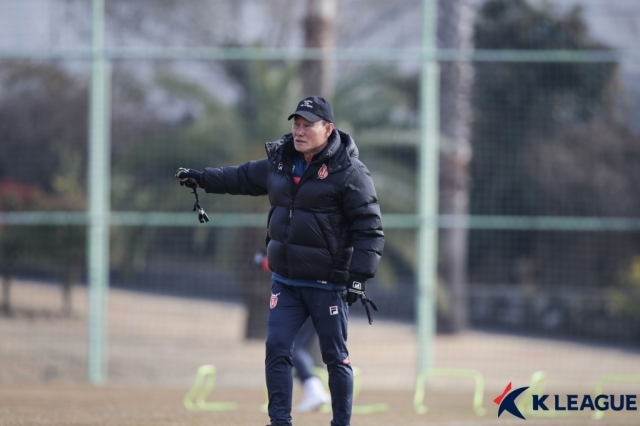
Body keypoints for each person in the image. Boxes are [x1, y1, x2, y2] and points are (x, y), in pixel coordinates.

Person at [175, 95, 384, 426]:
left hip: (327, 284)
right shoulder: (281, 162)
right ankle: (279, 422)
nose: (299, 131)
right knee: (277, 350)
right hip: (286, 282)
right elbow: (240, 178)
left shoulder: (350, 172)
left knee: (336, 358)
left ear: (328, 128)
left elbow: (370, 230)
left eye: (308, 125)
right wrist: (202, 178)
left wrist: (359, 278)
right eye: (296, 124)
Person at [255, 251, 331, 412]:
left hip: (304, 298)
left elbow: (283, 261)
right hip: (317, 296)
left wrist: (262, 260)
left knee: (294, 348)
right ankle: (314, 391)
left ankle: (315, 391)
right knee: (297, 348)